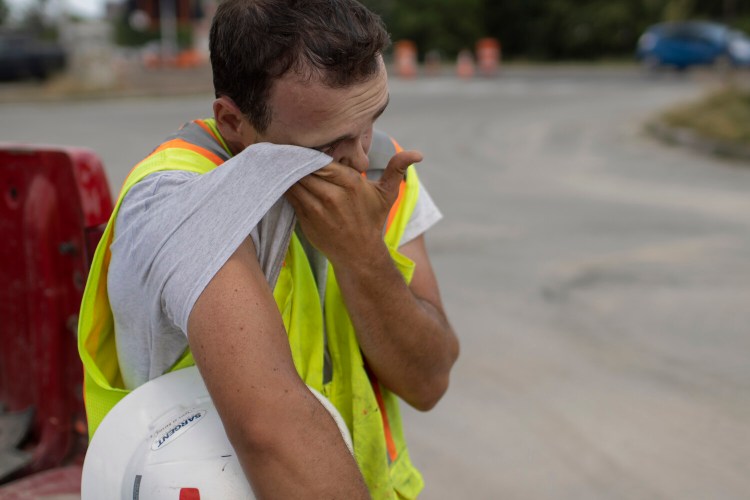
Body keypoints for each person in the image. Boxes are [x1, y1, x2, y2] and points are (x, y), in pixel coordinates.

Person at [78, 0, 459, 498]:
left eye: (372, 118)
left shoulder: (378, 164)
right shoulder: (180, 197)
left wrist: (362, 255)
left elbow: (428, 381)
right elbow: (275, 434)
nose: (362, 156)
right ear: (233, 121)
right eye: (327, 147)